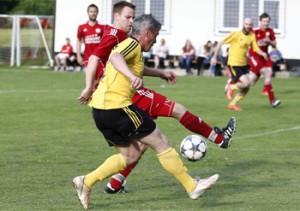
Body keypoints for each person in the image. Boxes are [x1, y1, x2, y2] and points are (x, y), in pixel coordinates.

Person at [77, 1, 236, 195]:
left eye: (133, 17)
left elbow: (128, 62)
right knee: (161, 137)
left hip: (101, 108)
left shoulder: (127, 41)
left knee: (132, 153)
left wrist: (159, 73)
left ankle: (88, 181)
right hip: (118, 103)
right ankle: (194, 183)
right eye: (128, 17)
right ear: (147, 33)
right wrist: (128, 78)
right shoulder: (124, 39)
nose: (131, 20)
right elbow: (113, 58)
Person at [211, 18, 268, 111]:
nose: (248, 26)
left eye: (250, 24)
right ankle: (231, 86)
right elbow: (220, 42)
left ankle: (232, 104)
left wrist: (263, 53)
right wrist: (214, 57)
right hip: (234, 63)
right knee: (246, 83)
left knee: (248, 86)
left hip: (243, 64)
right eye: (246, 24)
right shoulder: (236, 34)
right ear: (243, 24)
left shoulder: (252, 35)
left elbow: (256, 48)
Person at [247, 12, 281, 108]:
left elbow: (274, 44)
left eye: (267, 21)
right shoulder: (254, 31)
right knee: (250, 83)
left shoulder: (270, 31)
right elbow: (248, 43)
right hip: (255, 57)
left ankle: (272, 100)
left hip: (265, 57)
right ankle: (232, 83)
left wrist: (269, 41)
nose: (266, 23)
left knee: (268, 74)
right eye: (264, 21)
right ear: (260, 21)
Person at [76, 4, 105, 74]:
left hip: (99, 57)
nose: (93, 13)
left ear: (97, 13)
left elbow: (105, 41)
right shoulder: (81, 27)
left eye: (95, 11)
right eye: (91, 11)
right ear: (88, 12)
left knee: (99, 80)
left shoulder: (102, 27)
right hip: (88, 57)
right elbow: (79, 41)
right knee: (91, 79)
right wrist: (78, 55)